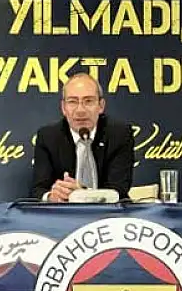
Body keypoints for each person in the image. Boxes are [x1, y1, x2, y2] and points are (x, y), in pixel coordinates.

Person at [31, 73, 135, 202]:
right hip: (64, 212)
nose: (80, 110)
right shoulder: (48, 137)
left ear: (101, 106)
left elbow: (118, 189)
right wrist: (52, 196)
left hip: (109, 212)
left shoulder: (119, 134)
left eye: (88, 101)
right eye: (72, 102)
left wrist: (82, 194)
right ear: (63, 108)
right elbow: (38, 190)